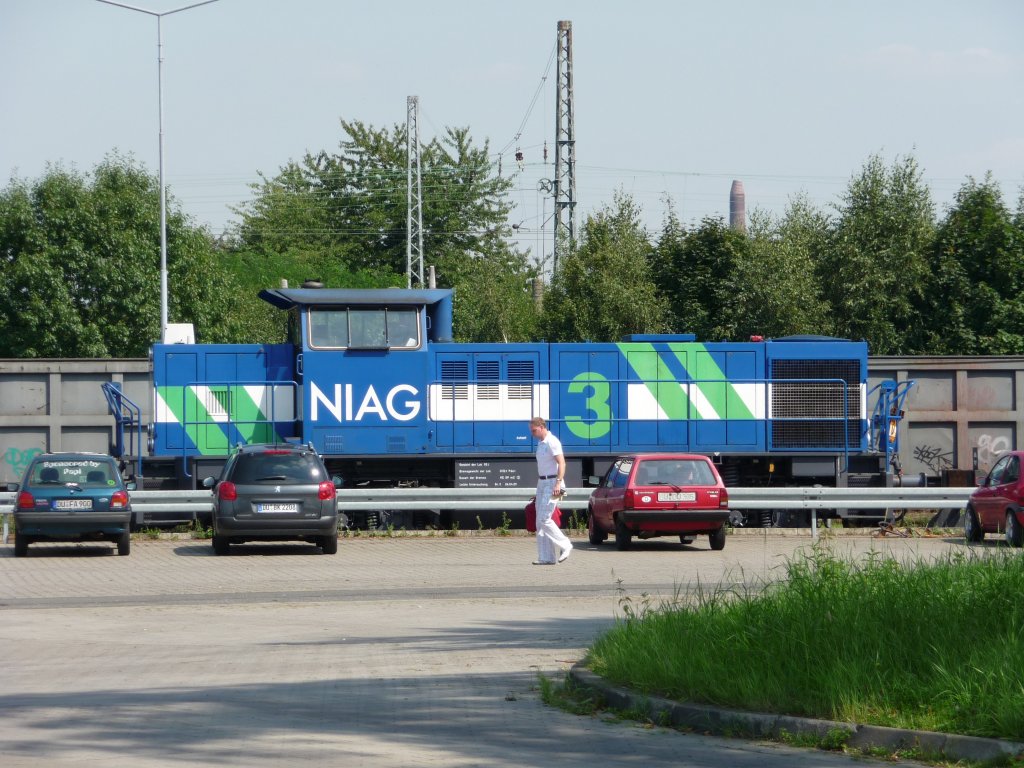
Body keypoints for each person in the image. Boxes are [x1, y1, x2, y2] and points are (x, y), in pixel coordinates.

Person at [528, 416, 573, 565]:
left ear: (541, 427)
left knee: (544, 518)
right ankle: (546, 557)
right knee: (539, 521)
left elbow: (562, 463)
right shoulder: (541, 443)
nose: (532, 434)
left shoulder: (552, 441)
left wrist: (558, 484)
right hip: (542, 482)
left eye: (534, 430)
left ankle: (566, 544)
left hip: (555, 483)